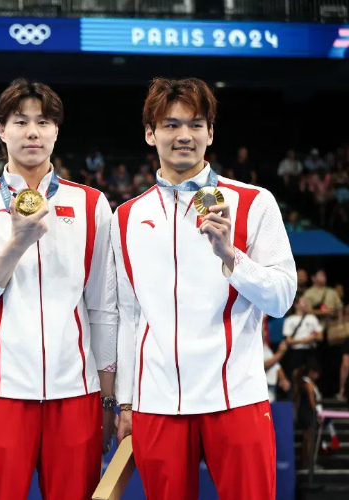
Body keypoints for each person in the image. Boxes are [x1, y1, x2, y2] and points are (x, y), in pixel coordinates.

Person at [113, 77, 296, 500]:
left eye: (196, 125)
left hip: (236, 396)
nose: (184, 136)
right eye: (171, 125)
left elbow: (282, 298)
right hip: (157, 403)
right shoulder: (125, 217)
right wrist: (125, 403)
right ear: (150, 133)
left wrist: (231, 256)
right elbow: (127, 316)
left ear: (210, 133)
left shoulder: (254, 201)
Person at [0, 78, 118, 500]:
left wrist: (110, 400)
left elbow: (103, 309)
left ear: (57, 130)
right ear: (1, 130)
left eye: (43, 121)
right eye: (20, 121)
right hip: (0, 391)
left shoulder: (93, 204)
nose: (33, 131)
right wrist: (15, 245)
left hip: (77, 393)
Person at [282, 296, 323, 375]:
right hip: (296, 353)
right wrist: (304, 340)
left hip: (310, 352)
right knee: (296, 375)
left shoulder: (312, 318)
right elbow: (288, 340)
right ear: (296, 304)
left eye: (307, 302)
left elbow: (320, 336)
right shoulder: (289, 320)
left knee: (311, 375)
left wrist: (314, 338)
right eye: (303, 302)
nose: (306, 304)